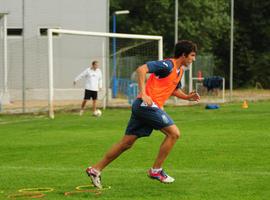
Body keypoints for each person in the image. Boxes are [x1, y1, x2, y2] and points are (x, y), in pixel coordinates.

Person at [85, 40, 200, 188]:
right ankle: (156, 170)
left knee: (126, 143)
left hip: (144, 107)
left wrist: (187, 97)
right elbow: (141, 69)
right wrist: (143, 93)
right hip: (146, 105)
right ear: (183, 55)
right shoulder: (167, 65)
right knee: (174, 134)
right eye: (192, 55)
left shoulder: (180, 71)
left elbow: (173, 89)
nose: (194, 59)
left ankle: (95, 169)